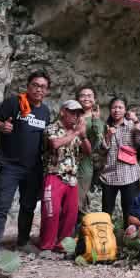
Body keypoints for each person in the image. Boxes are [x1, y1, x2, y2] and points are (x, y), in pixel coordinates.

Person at [0, 71, 52, 261]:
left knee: (28, 206)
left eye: (43, 87)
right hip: (11, 165)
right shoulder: (15, 103)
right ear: (28, 86)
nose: (39, 89)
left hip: (33, 168)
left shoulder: (45, 111)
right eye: (35, 85)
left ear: (47, 91)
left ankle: (22, 241)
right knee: (2, 206)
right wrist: (2, 126)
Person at [38, 100, 92, 251]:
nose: (76, 116)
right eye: (72, 112)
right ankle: (46, 246)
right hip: (54, 174)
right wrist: (75, 132)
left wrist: (84, 135)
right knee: (51, 211)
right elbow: (55, 144)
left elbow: (88, 152)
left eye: (78, 113)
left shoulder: (77, 131)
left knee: (71, 214)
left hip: (72, 177)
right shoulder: (52, 127)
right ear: (63, 111)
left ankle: (63, 246)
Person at [100, 97, 140, 224]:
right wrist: (108, 136)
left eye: (120, 107)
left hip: (129, 174)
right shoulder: (105, 127)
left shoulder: (132, 125)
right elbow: (101, 151)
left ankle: (128, 240)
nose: (117, 110)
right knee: (106, 211)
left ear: (125, 110)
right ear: (110, 110)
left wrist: (136, 122)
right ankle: (105, 239)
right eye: (114, 107)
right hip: (109, 174)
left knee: (129, 212)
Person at [75, 87, 105, 218]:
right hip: (67, 162)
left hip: (85, 162)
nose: (86, 98)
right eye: (82, 95)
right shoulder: (72, 115)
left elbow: (99, 143)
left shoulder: (96, 119)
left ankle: (78, 233)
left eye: (89, 95)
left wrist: (96, 120)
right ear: (77, 99)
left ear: (95, 100)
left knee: (79, 199)